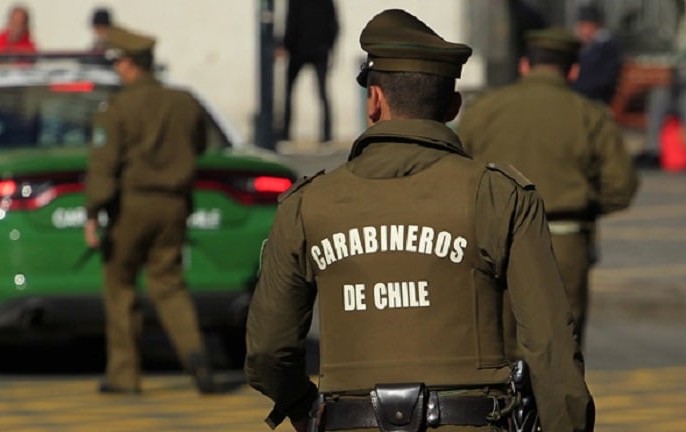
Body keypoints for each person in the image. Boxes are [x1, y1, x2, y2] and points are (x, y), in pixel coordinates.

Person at [246, 9, 595, 432]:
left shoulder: (307, 204)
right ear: (452, 105)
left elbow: (267, 351)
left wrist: (304, 408)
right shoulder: (497, 195)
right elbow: (551, 347)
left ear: (373, 99)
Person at [458, 27, 639, 349]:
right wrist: (585, 202)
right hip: (564, 240)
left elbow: (456, 171)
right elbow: (620, 187)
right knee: (558, 351)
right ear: (573, 70)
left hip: (495, 241)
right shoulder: (589, 115)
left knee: (497, 348)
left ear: (524, 65)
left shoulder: (482, 110)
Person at [84, 25, 215, 395]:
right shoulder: (184, 101)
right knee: (170, 284)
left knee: (121, 285)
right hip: (175, 204)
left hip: (132, 205)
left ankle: (124, 375)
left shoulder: (118, 108)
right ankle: (195, 355)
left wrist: (93, 212)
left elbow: (103, 166)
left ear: (128, 65)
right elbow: (201, 144)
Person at [279, 0, 339, 143]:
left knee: (289, 92)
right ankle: (327, 134)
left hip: (298, 50)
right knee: (322, 93)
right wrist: (329, 48)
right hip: (319, 50)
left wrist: (286, 45)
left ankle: (286, 134)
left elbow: (291, 22)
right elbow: (334, 26)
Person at [572, 4, 623, 104]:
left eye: (584, 26)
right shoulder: (583, 47)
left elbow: (603, 80)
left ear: (595, 26)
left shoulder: (607, 47)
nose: (580, 31)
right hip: (583, 95)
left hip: (597, 98)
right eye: (580, 26)